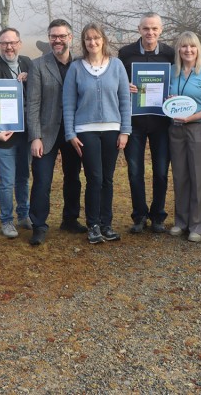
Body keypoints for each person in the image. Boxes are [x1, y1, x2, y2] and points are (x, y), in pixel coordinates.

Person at [63, 23, 131, 244]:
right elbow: (69, 102)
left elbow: (124, 100)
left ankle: (106, 224)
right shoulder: (76, 67)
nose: (92, 42)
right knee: (95, 178)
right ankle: (93, 225)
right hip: (85, 131)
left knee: (108, 180)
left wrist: (125, 131)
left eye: (96, 38)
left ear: (104, 40)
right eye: (88, 39)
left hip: (112, 130)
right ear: (83, 42)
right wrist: (70, 133)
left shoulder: (117, 66)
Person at [26, 19, 85, 246]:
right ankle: (39, 225)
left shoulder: (81, 64)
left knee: (73, 178)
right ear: (49, 38)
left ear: (70, 37)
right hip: (46, 132)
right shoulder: (38, 64)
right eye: (53, 36)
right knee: (42, 180)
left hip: (73, 131)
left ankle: (70, 219)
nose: (57, 40)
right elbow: (32, 104)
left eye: (62, 36)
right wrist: (35, 137)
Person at [118, 12, 175, 233]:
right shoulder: (125, 54)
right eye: (145, 28)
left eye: (154, 29)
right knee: (134, 171)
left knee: (161, 171)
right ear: (139, 29)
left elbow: (178, 81)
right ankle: (139, 215)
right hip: (134, 122)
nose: (150, 33)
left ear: (161, 30)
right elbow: (117, 82)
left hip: (162, 122)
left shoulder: (170, 54)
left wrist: (173, 95)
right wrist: (126, 88)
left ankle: (158, 215)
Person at [0, 27, 34, 238]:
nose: (9, 47)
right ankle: (6, 220)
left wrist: (30, 78)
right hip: (4, 135)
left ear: (19, 43)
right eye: (4, 43)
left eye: (12, 42)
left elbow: (37, 94)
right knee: (7, 180)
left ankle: (24, 215)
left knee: (23, 176)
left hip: (25, 132)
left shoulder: (28, 63)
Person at [167, 32, 201, 243]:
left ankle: (200, 224)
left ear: (198, 49)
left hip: (200, 128)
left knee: (200, 177)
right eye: (184, 46)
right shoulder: (173, 71)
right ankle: (181, 221)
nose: (188, 50)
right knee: (180, 175)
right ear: (178, 49)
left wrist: (193, 117)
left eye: (192, 47)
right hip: (176, 129)